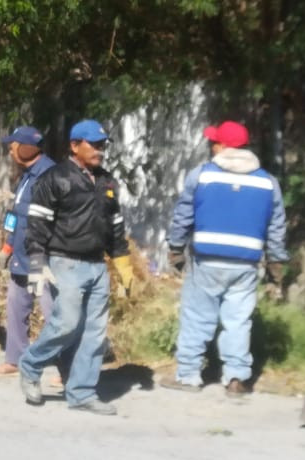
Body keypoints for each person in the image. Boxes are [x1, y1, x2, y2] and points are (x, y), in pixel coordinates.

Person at [162, 121, 288, 398]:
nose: (211, 147)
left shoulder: (202, 175)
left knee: (197, 317)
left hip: (207, 260)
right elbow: (276, 224)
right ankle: (236, 377)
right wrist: (276, 260)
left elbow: (184, 213)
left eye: (213, 142)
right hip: (246, 263)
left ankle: (188, 375)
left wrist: (176, 247)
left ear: (222, 146)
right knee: (238, 320)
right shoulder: (267, 181)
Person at [18, 119, 134, 415]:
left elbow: (115, 226)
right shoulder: (55, 178)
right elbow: (37, 224)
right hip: (65, 263)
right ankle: (31, 365)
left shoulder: (107, 182)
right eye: (93, 145)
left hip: (97, 266)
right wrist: (36, 262)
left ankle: (81, 392)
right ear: (74, 145)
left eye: (102, 145)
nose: (100, 150)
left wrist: (122, 262)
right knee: (67, 324)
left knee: (94, 332)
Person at [0, 125, 56, 377]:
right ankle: (14, 360)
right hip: (21, 256)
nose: (9, 150)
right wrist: (7, 247)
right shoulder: (26, 177)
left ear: (26, 149)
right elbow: (15, 215)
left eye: (13, 146)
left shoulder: (50, 176)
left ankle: (64, 369)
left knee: (54, 314)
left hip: (43, 258)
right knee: (15, 308)